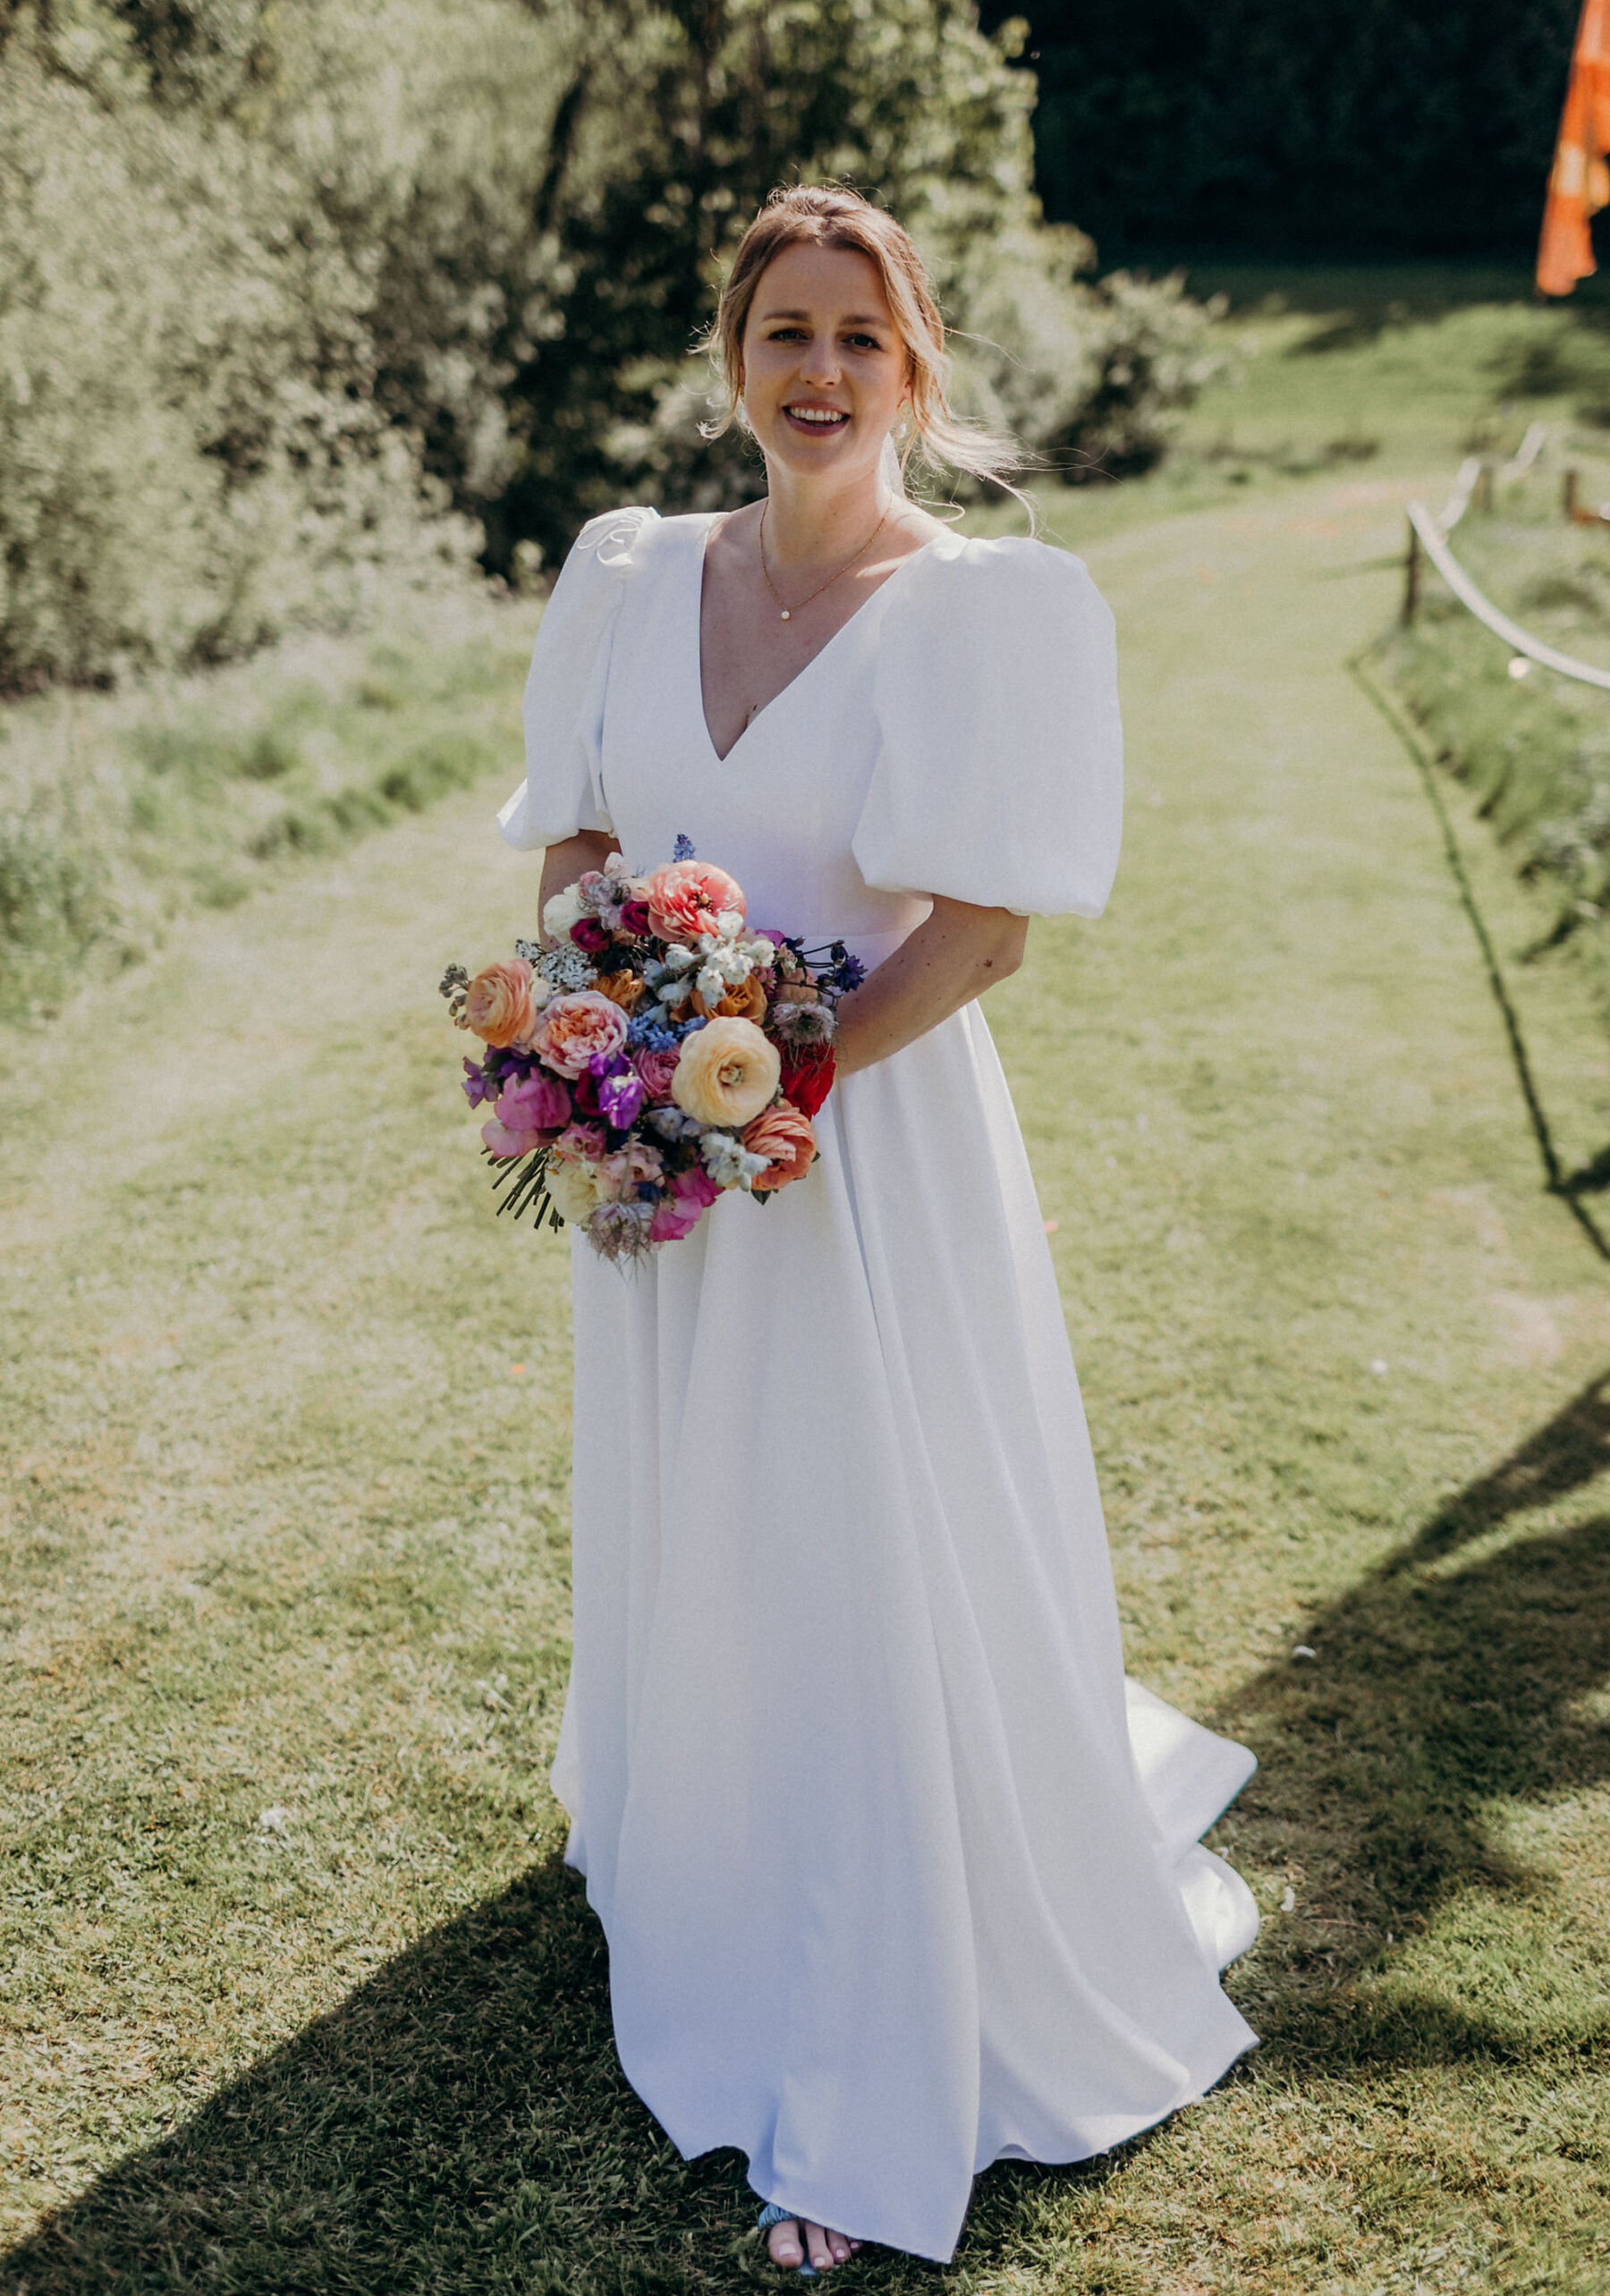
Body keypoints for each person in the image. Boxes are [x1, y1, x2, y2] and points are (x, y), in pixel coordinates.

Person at [496, 183, 1259, 2275]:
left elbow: (985, 928)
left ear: (912, 367)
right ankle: (706, 1843)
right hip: (663, 1146)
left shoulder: (982, 610)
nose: (816, 371)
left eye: (857, 334)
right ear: (731, 359)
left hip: (863, 1152)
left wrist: (783, 1083)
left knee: (854, 1523)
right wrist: (609, 1037)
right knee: (697, 1498)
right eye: (781, 332)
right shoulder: (633, 573)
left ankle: (863, 2031)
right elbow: (575, 833)